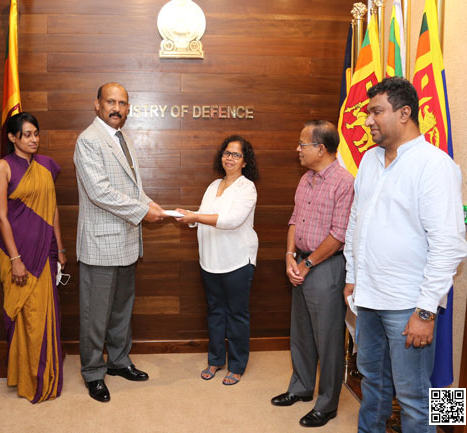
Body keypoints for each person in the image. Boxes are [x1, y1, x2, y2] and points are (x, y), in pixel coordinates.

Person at [343, 77, 467, 432]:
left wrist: (426, 311)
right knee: (373, 385)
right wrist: (353, 276)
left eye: (376, 112)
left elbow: (449, 244)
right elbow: (357, 222)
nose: (367, 121)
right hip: (368, 299)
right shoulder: (368, 160)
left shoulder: (434, 165)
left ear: (404, 113)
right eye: (368, 112)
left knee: (415, 397)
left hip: (409, 305)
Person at [73, 82, 166, 403]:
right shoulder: (88, 140)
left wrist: (157, 208)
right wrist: (144, 211)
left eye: (122, 103)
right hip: (100, 245)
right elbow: (99, 192)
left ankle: (119, 361)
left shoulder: (122, 137)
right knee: (95, 314)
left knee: (121, 311)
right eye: (110, 102)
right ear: (96, 104)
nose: (117, 108)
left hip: (126, 241)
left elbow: (132, 189)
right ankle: (93, 372)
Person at [270, 120, 354, 428]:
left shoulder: (345, 182)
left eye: (302, 144)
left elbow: (339, 233)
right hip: (301, 263)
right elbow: (294, 220)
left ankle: (327, 403)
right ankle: (301, 388)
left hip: (326, 267)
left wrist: (307, 264)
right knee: (302, 333)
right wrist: (290, 256)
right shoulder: (306, 178)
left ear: (321, 148)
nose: (298, 149)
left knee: (328, 338)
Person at [0, 112, 66, 403]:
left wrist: (61, 248)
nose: (34, 139)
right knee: (24, 316)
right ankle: (26, 378)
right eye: (28, 134)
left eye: (36, 134)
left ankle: (46, 375)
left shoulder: (45, 166)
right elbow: (0, 216)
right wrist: (15, 258)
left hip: (45, 249)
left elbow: (53, 209)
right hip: (16, 252)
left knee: (44, 315)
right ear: (12, 137)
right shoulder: (2, 167)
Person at [175, 135, 259, 386]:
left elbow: (231, 221)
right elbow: (202, 216)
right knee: (215, 313)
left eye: (236, 154)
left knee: (236, 314)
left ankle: (237, 365)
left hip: (237, 261)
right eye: (226, 153)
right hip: (210, 261)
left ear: (245, 161)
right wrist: (188, 217)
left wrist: (196, 217)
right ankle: (215, 359)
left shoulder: (247, 187)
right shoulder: (213, 185)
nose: (230, 158)